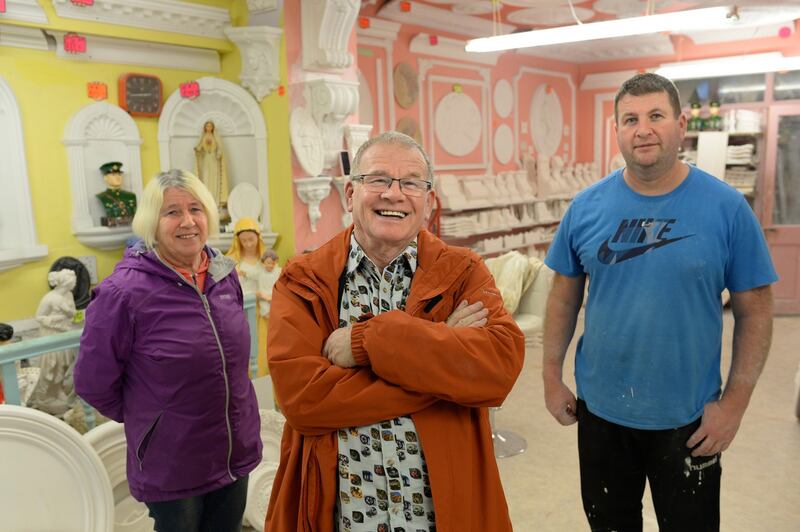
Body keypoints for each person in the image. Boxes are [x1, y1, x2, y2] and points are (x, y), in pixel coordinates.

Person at [542, 72, 777, 531]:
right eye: (629, 118)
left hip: (688, 422)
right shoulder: (586, 208)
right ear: (616, 130)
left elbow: (757, 310)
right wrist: (551, 375)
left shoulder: (726, 208)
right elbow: (563, 297)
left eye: (655, 115)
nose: (642, 129)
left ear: (681, 124)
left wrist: (735, 404)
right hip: (601, 414)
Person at [264, 131, 525, 531]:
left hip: (443, 512)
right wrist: (439, 362)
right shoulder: (303, 279)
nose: (394, 194)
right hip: (342, 516)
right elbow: (303, 401)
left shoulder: (464, 271)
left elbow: (499, 369)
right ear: (350, 194)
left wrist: (368, 341)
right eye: (379, 179)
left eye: (410, 183)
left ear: (428, 201)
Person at [74, 169, 262, 532]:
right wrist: (155, 419)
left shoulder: (225, 275)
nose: (187, 221)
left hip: (234, 449)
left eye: (196, 208)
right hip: (173, 463)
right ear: (151, 222)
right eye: (172, 212)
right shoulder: (123, 293)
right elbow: (92, 382)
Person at [26, 269, 78, 416]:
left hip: (64, 333)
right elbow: (39, 317)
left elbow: (73, 313)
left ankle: (58, 389)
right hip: (51, 334)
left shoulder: (68, 295)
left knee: (63, 364)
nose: (75, 284)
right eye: (73, 281)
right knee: (51, 365)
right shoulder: (49, 298)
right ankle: (44, 396)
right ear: (67, 283)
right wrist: (54, 320)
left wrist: (68, 311)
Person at [226, 217, 266, 295]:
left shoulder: (267, 258)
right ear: (238, 241)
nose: (249, 244)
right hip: (243, 303)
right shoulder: (231, 261)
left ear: (258, 237)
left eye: (251, 239)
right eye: (244, 241)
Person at [194, 120, 230, 208]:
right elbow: (199, 147)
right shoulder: (203, 138)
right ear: (205, 128)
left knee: (215, 179)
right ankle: (207, 201)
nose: (209, 128)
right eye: (207, 126)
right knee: (206, 179)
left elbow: (219, 148)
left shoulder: (215, 137)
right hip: (206, 161)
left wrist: (218, 153)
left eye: (210, 126)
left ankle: (215, 201)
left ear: (213, 127)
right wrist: (197, 149)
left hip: (214, 161)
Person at [96, 161, 137, 227]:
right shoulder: (102, 196)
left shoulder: (131, 196)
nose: (118, 177)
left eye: (119, 174)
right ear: (105, 178)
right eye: (113, 175)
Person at [256, 249, 280, 318]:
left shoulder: (278, 272)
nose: (271, 265)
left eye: (273, 263)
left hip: (275, 296)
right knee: (265, 310)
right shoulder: (260, 273)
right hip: (264, 297)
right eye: (268, 263)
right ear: (263, 263)